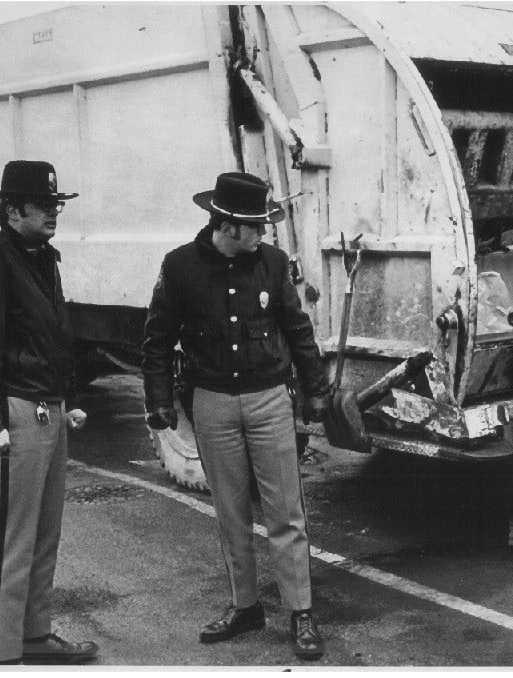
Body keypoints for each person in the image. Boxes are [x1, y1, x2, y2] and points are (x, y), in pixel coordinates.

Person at [141, 172, 331, 660]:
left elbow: (298, 327)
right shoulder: (180, 266)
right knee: (231, 511)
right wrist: (158, 401)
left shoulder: (272, 262)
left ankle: (301, 611)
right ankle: (244, 606)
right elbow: (158, 340)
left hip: (269, 399)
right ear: (225, 224)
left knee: (286, 510)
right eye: (256, 226)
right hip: (212, 402)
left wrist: (316, 390)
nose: (264, 234)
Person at [0, 161, 98, 665]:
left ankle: (34, 634)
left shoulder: (43, 257)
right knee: (10, 538)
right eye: (44, 206)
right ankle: (2, 650)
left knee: (45, 533)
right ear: (12, 210)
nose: (54, 214)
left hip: (49, 408)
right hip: (17, 411)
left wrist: (70, 398)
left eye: (56, 205)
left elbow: (54, 334)